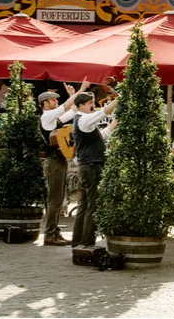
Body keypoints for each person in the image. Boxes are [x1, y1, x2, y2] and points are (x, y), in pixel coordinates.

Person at [39, 79, 89, 246]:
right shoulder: (47, 117)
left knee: (58, 199)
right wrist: (79, 91)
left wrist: (74, 95)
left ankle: (54, 231)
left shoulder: (53, 120)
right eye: (52, 100)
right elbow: (67, 107)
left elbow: (72, 111)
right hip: (53, 163)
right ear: (44, 103)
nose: (56, 101)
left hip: (58, 162)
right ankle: (49, 234)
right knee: (55, 200)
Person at [71, 92, 118, 249]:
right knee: (93, 205)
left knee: (84, 205)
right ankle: (87, 242)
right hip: (91, 166)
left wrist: (116, 122)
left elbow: (102, 135)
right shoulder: (83, 119)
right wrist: (120, 99)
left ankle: (78, 241)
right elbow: (103, 112)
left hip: (86, 166)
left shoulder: (83, 121)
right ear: (80, 106)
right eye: (89, 102)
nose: (93, 105)